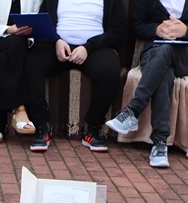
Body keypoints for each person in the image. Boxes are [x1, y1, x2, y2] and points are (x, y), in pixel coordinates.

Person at [105, 0, 188, 168]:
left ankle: (133, 110)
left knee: (165, 52)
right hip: (153, 54)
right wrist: (156, 30)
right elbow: (137, 27)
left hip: (187, 56)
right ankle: (160, 144)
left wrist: (187, 31)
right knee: (164, 71)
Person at [23, 0, 126, 153]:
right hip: (57, 47)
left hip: (94, 49)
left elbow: (118, 31)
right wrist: (56, 41)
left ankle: (91, 127)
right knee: (31, 64)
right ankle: (42, 126)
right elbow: (43, 23)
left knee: (110, 71)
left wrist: (88, 47)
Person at [0, 0, 42, 143]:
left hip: (20, 45)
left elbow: (35, 23)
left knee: (3, 59)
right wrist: (9, 30)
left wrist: (29, 38)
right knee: (15, 43)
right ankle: (19, 108)